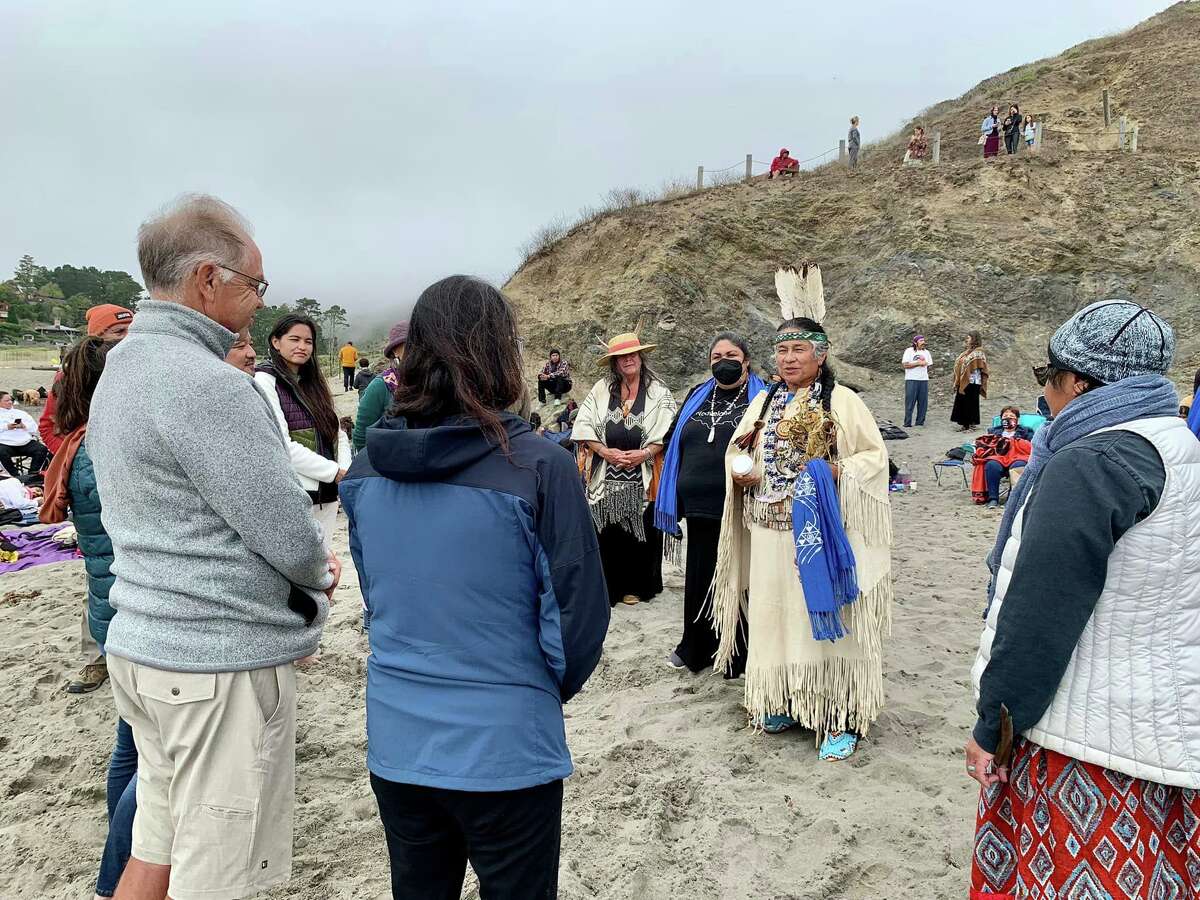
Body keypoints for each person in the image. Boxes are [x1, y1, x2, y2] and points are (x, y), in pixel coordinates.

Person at [87, 193, 337, 900]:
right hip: (213, 666)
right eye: (254, 286)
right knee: (219, 872)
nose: (259, 301)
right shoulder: (209, 385)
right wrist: (320, 573)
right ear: (207, 279)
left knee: (157, 844)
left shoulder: (125, 368)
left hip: (143, 643)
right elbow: (287, 532)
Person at [340, 275, 609, 900]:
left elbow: (377, 597)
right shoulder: (540, 466)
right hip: (508, 747)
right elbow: (578, 623)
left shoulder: (365, 469)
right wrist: (530, 694)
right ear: (500, 354)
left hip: (398, 738)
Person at [967, 299, 1200, 897]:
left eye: (1048, 379)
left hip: (1094, 743)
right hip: (1174, 729)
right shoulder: (1185, 448)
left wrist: (994, 722)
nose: (1045, 396)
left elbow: (1040, 614)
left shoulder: (1094, 460)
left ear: (1078, 382)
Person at [711, 311, 893, 761]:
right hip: (768, 529)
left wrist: (836, 471)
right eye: (782, 349)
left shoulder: (843, 401)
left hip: (820, 534)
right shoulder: (765, 402)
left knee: (825, 621)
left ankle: (837, 714)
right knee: (775, 618)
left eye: (799, 349)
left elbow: (875, 459)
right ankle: (787, 699)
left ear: (821, 353)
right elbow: (740, 448)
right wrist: (745, 472)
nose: (789, 359)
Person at [38, 336, 134, 899]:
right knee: (147, 760)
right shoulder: (104, 450)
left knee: (130, 745)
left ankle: (116, 861)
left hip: (109, 610)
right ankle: (115, 875)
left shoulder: (78, 443)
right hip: (130, 614)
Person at [657, 332, 765, 674]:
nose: (724, 361)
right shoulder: (696, 396)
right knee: (701, 575)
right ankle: (696, 646)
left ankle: (737, 651)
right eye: (716, 356)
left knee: (738, 575)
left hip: (739, 505)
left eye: (731, 354)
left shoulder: (762, 398)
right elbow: (672, 437)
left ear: (746, 360)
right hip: (698, 506)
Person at [572, 331, 677, 606]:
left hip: (642, 474)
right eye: (621, 357)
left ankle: (638, 587)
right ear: (614, 363)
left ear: (640, 357)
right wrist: (605, 451)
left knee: (640, 532)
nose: (627, 360)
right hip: (606, 474)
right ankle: (610, 588)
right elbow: (583, 423)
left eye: (632, 354)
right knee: (608, 533)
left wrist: (644, 453)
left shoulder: (658, 391)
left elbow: (667, 429)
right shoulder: (601, 390)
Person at [255, 314, 352, 548]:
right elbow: (280, 444)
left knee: (324, 569)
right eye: (294, 339)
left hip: (327, 495)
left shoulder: (312, 382)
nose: (302, 346)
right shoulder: (265, 380)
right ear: (276, 342)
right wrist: (334, 472)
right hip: (295, 495)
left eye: (308, 341)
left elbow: (336, 432)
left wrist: (345, 471)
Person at [40, 304, 134, 456]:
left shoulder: (141, 369)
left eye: (133, 330)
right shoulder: (69, 377)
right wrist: (73, 459)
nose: (128, 337)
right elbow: (48, 427)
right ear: (96, 339)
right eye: (120, 331)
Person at [352, 321, 407, 452]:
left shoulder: (437, 382)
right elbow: (361, 437)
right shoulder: (381, 386)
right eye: (409, 344)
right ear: (395, 351)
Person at [971, 405, 1033, 509]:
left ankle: (1012, 497)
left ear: (1017, 418)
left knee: (1019, 465)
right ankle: (993, 498)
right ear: (1001, 418)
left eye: (1011, 415)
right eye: (1005, 416)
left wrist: (1014, 442)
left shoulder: (1026, 431)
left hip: (1017, 457)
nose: (1008, 418)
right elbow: (987, 445)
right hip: (999, 457)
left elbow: (1030, 446)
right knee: (991, 464)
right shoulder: (993, 431)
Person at [0, 391, 49, 478]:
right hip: (5, 443)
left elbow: (34, 428)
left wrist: (24, 426)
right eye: (6, 401)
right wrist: (6, 427)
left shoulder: (20, 413)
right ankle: (15, 476)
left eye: (11, 400)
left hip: (24, 442)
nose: (10, 402)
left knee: (42, 449)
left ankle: (33, 474)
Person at [951, 332, 988, 432]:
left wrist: (965, 363)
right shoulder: (967, 352)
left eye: (969, 338)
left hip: (973, 381)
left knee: (971, 403)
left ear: (974, 339)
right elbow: (961, 363)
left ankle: (971, 425)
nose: (967, 340)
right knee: (962, 402)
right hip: (964, 381)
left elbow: (978, 364)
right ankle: (964, 424)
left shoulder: (979, 352)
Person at [901, 335, 932, 427]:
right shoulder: (909, 351)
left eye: (924, 340)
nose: (923, 342)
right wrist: (918, 363)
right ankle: (907, 423)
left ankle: (920, 422)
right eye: (921, 341)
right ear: (915, 342)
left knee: (923, 402)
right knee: (910, 401)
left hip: (923, 380)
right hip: (911, 379)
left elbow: (929, 365)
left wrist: (924, 368)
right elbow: (905, 365)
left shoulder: (926, 352)